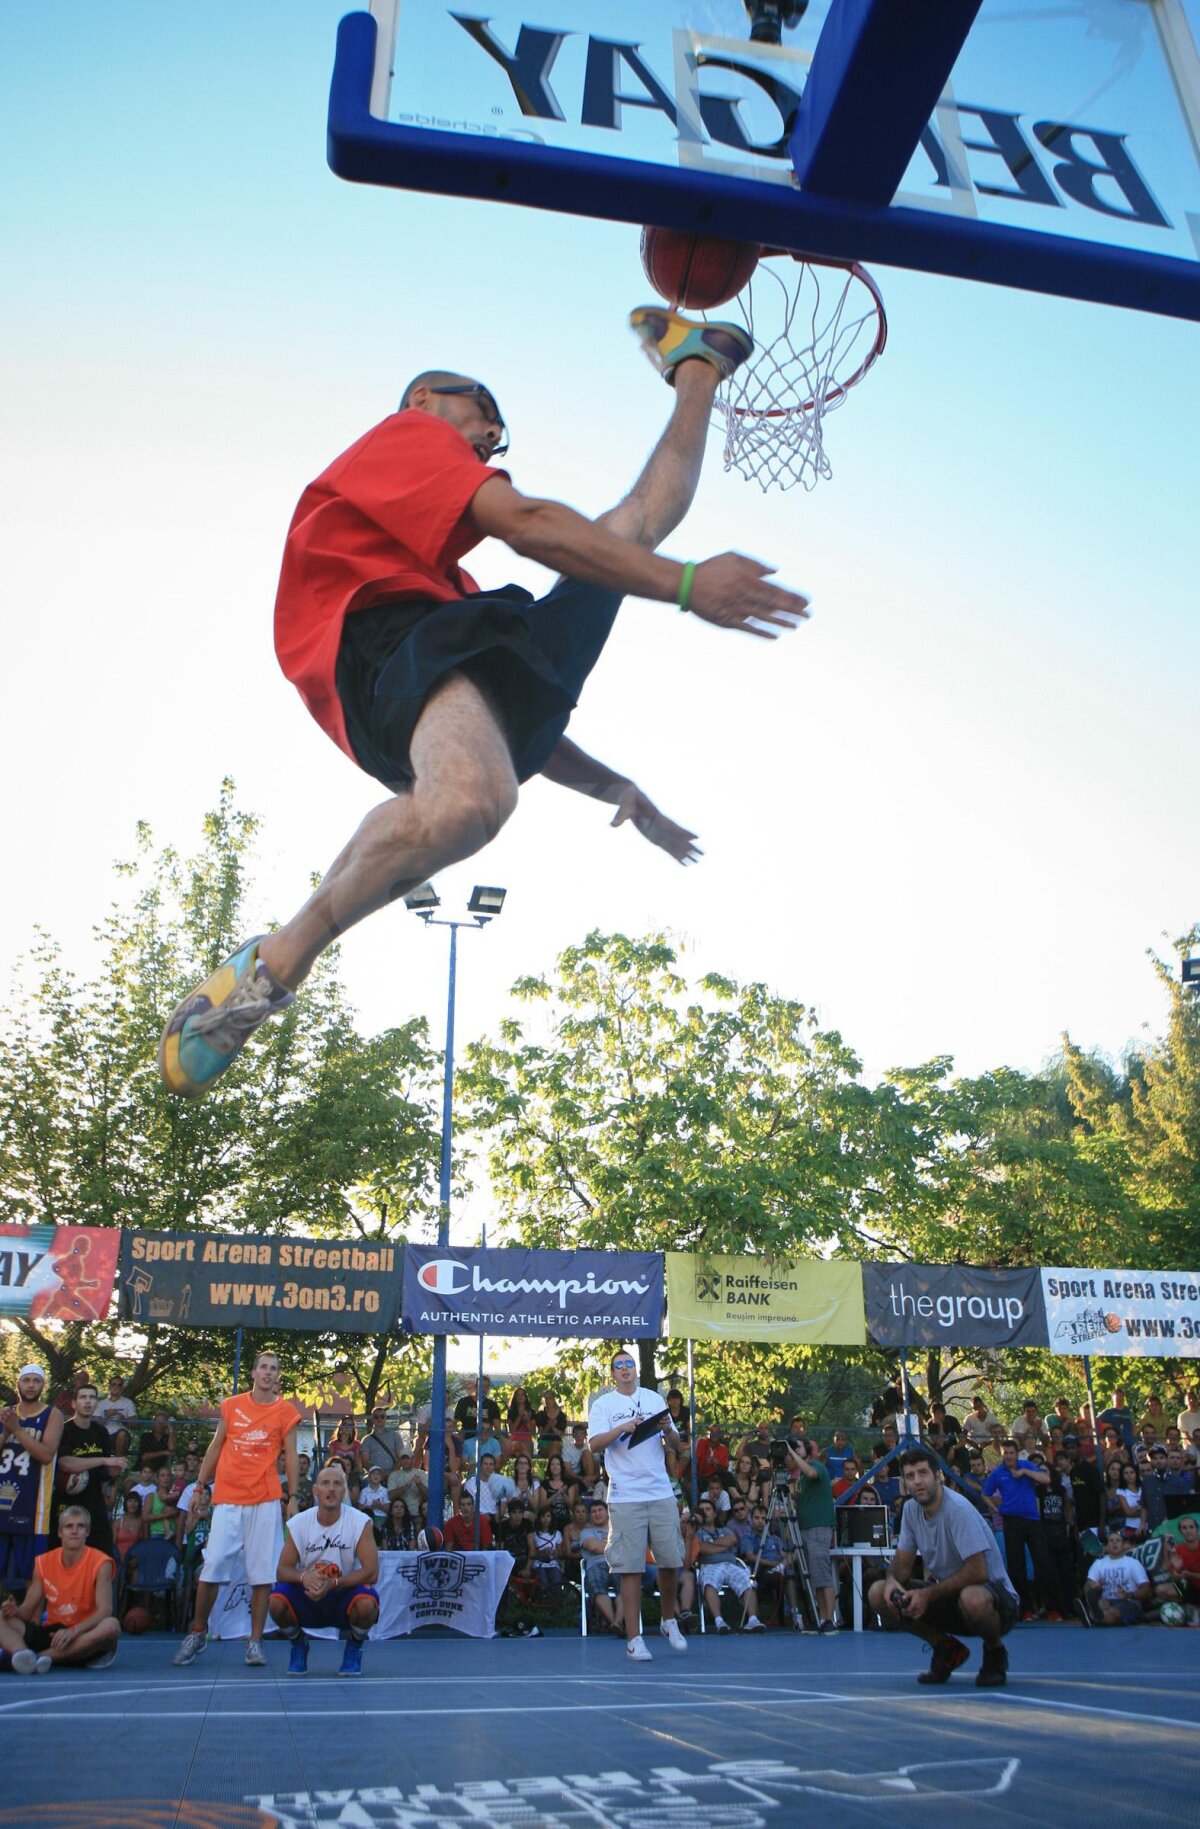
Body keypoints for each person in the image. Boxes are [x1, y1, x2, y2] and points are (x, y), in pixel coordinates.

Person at [158, 313, 807, 1099]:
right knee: (471, 799)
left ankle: (697, 369)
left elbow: (504, 720)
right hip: (375, 634)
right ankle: (275, 962)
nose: (495, 430)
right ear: (428, 398)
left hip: (454, 632)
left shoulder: (456, 595)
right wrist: (683, 584)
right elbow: (529, 526)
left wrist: (617, 790)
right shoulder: (410, 431)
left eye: (497, 428)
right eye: (484, 409)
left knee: (629, 529)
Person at [173, 1351, 301, 1668]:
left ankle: (255, 1643)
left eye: (274, 1368)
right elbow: (215, 1445)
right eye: (264, 1368)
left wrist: (294, 1496)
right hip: (228, 1498)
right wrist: (200, 1486)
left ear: (278, 1376)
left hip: (265, 1499)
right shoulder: (232, 1406)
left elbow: (292, 1455)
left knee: (261, 1575)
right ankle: (198, 1631)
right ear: (254, 1373)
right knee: (213, 1566)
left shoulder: (286, 1412)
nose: (269, 1373)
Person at [870, 1447, 1019, 1688]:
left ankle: (994, 1652)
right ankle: (945, 1648)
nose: (917, 1481)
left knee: (973, 1597)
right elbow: (902, 1565)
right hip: (950, 1598)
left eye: (923, 1473)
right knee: (878, 1593)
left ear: (938, 1476)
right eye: (910, 1476)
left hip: (996, 1602)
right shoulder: (910, 1510)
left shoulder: (957, 1509)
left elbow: (978, 1571)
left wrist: (927, 1594)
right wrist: (891, 1583)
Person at [588, 1347, 688, 1663]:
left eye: (629, 1363)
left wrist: (667, 1429)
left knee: (671, 1561)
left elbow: (676, 1445)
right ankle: (634, 1639)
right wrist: (621, 1428)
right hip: (624, 1496)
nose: (625, 1369)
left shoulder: (654, 1399)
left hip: (659, 1491)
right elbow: (593, 1444)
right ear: (613, 1373)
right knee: (630, 1569)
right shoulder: (604, 1404)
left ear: (635, 1369)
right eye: (619, 1366)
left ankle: (668, 1619)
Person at [270, 1463, 380, 1676]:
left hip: (341, 1593)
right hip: (308, 1593)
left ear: (344, 1490)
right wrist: (304, 1577)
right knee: (276, 1602)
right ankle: (298, 1644)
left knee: (367, 1604)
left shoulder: (360, 1522)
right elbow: (282, 1571)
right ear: (315, 1490)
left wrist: (334, 1583)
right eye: (325, 1483)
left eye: (337, 1484)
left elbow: (372, 1572)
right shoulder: (299, 1523)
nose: (331, 1489)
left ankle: (354, 1647)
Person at [0, 1505, 119, 1674]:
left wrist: (73, 1631)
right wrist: (14, 1611)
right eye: (69, 1526)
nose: (75, 1531)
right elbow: (27, 1611)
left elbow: (105, 1610)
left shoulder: (101, 1563)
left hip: (83, 1632)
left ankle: (40, 1657)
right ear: (60, 1532)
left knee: (111, 1626)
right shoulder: (43, 1562)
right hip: (53, 1634)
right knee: (1, 1618)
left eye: (80, 1526)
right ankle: (21, 1654)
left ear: (87, 1532)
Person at [0, 1365, 64, 1594]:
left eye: (36, 1381)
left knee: (33, 1576)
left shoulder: (52, 1415)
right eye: (26, 1380)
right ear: (18, 1383)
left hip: (33, 1507)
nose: (30, 1385)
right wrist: (6, 1432)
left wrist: (16, 1431)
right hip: (2, 1504)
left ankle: (31, 1627)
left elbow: (46, 1455)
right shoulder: (4, 1413)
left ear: (42, 1385)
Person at [52, 1379, 124, 1560]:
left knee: (102, 1557)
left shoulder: (101, 1432)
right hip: (66, 1503)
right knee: (63, 1557)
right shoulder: (64, 1430)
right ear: (74, 1403)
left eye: (92, 1398)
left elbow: (103, 1472)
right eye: (83, 1397)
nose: (88, 1401)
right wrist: (104, 1461)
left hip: (94, 1501)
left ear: (96, 1404)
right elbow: (65, 1463)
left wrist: (111, 1471)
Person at [982, 1439, 1053, 1618]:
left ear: (1016, 1453)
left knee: (1043, 1562)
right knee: (1016, 1566)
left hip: (1032, 1520)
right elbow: (985, 1494)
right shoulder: (998, 1473)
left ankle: (1053, 1607)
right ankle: (1025, 1609)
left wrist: (1025, 1472)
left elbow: (1046, 1478)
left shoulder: (1026, 1465)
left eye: (1011, 1453)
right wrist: (996, 1509)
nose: (1009, 1456)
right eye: (1005, 1453)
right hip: (1011, 1522)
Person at [687, 1496, 766, 1633]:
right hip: (709, 1565)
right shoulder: (695, 1533)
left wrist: (709, 1545)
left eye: (708, 1509)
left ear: (715, 1512)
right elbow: (700, 1548)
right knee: (709, 1583)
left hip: (731, 1564)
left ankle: (753, 1619)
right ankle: (720, 1622)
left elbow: (732, 1539)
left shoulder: (726, 1530)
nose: (705, 1512)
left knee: (748, 1581)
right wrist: (721, 1545)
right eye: (702, 1510)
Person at [786, 1436, 839, 1634]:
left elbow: (811, 1473)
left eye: (797, 1447)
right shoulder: (800, 1475)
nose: (794, 1450)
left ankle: (829, 1619)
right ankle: (822, 1619)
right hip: (806, 1527)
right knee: (815, 1577)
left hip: (819, 1527)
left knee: (822, 1574)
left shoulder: (817, 1466)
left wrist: (792, 1454)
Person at [1082, 1526, 1152, 1626]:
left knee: (1112, 1613)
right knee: (1102, 1603)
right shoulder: (1098, 1563)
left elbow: (1147, 1590)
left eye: (1118, 1540)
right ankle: (1096, 1614)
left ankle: (1094, 1618)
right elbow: (1087, 1586)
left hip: (1129, 1602)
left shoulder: (1133, 1563)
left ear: (1123, 1545)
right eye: (1111, 1541)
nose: (1114, 1543)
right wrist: (1095, 1588)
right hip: (1106, 1601)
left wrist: (1129, 1595)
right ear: (1107, 1545)